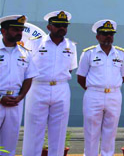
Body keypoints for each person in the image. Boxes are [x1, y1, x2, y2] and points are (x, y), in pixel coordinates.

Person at [23, 11, 78, 156]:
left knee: (59, 132)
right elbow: (26, 67)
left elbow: (70, 69)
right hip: (38, 87)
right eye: (58, 25)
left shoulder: (71, 46)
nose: (62, 28)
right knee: (34, 131)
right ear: (49, 27)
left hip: (61, 88)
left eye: (64, 25)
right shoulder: (35, 43)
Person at [77, 19, 124, 156]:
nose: (108, 36)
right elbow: (81, 77)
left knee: (111, 130)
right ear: (97, 36)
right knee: (91, 130)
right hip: (93, 95)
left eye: (111, 34)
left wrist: (111, 86)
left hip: (114, 95)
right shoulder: (88, 53)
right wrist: (96, 89)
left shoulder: (121, 54)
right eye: (104, 33)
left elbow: (123, 76)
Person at [0, 15, 38, 156]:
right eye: (15, 29)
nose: (19, 33)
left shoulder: (25, 53)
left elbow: (28, 78)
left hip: (15, 102)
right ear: (4, 31)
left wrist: (20, 96)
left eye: (21, 30)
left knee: (9, 144)